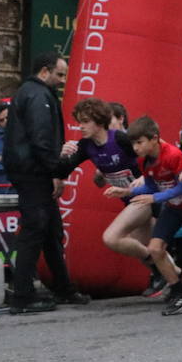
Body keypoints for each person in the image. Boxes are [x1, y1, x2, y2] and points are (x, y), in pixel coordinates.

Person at [3, 52, 87, 312]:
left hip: (33, 170)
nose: (63, 80)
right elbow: (42, 139)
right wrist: (56, 169)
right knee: (34, 231)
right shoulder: (38, 96)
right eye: (59, 74)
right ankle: (23, 297)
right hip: (33, 173)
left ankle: (63, 289)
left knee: (51, 232)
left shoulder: (32, 93)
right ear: (44, 72)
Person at [59, 98, 156, 294]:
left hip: (147, 198)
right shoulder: (86, 146)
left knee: (112, 238)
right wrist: (62, 155)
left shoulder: (120, 138)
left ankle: (164, 273)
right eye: (79, 121)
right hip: (129, 201)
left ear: (99, 122)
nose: (81, 126)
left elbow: (152, 155)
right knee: (143, 246)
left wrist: (145, 177)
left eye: (85, 121)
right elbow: (63, 169)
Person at [125, 115, 182, 315]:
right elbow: (152, 185)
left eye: (139, 142)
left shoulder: (172, 154)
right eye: (133, 143)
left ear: (154, 139)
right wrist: (127, 192)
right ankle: (180, 290)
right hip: (172, 207)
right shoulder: (144, 161)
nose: (135, 148)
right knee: (155, 249)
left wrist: (155, 198)